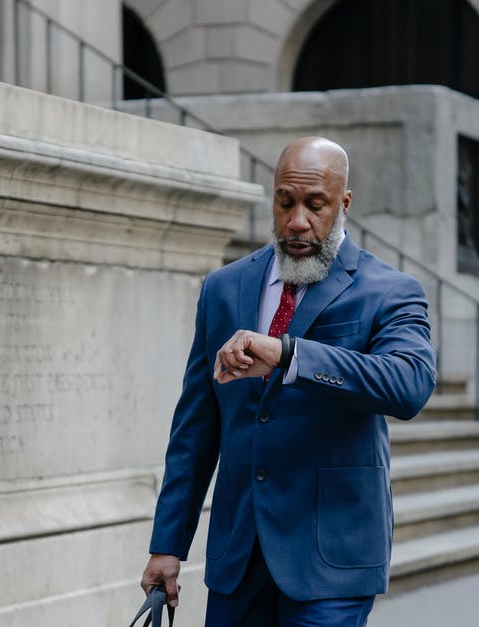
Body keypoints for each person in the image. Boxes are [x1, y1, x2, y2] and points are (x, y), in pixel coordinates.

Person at [139, 137, 436, 626]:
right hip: (238, 560)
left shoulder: (391, 291)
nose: (297, 221)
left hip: (331, 563)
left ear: (344, 204)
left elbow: (408, 385)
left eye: (315, 205)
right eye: (285, 202)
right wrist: (167, 545)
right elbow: (195, 430)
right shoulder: (223, 288)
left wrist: (290, 354)